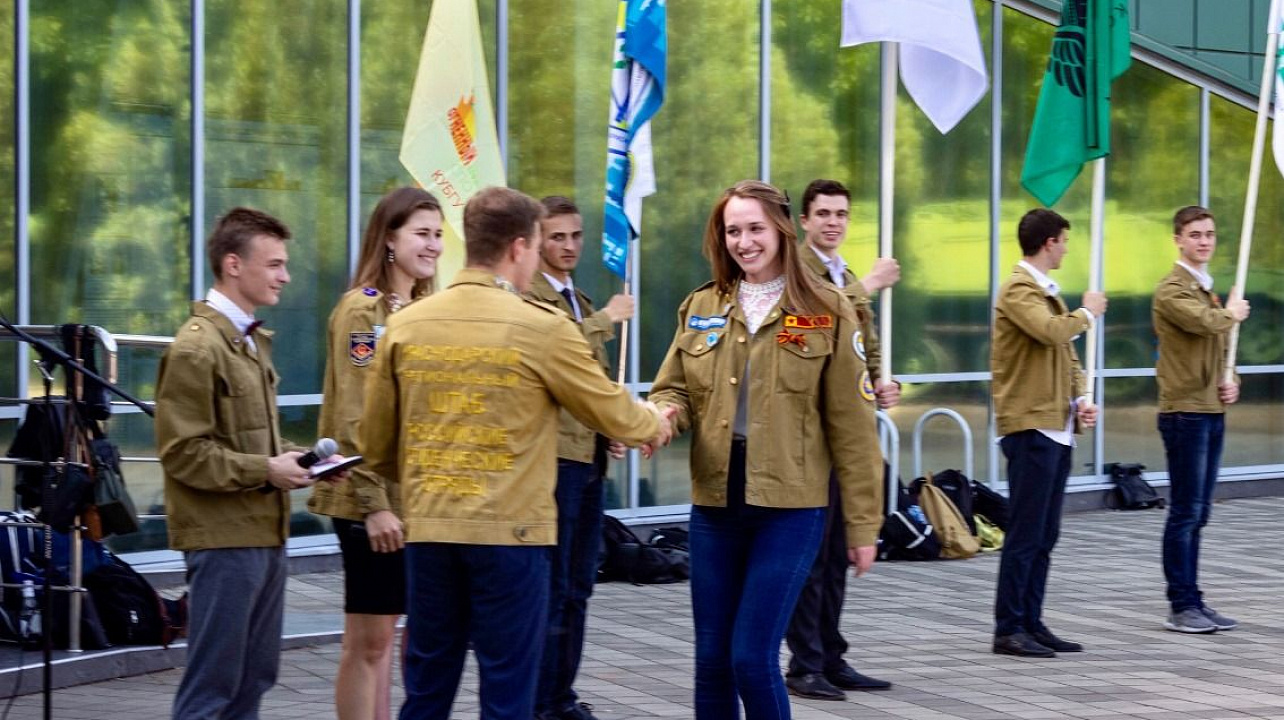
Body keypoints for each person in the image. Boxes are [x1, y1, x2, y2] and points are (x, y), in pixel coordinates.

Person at [358, 186, 671, 720]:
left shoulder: (406, 324)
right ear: (521, 247)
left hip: (431, 531)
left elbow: (377, 446)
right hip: (512, 537)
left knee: (428, 686)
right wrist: (654, 422)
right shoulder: (542, 328)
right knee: (507, 691)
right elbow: (612, 413)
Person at [647, 180, 884, 719]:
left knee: (751, 659)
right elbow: (674, 388)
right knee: (711, 662)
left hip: (791, 508)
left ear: (780, 230)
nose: (744, 241)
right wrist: (661, 415)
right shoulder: (703, 304)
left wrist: (864, 526)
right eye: (733, 230)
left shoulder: (827, 309)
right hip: (715, 503)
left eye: (755, 228)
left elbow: (853, 428)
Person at [156, 207, 342, 718]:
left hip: (262, 534)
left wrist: (291, 462)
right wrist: (267, 469)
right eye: (275, 264)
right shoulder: (198, 347)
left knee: (253, 680)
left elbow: (237, 441)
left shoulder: (248, 340)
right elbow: (182, 453)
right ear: (234, 265)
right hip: (224, 540)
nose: (286, 275)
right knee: (213, 688)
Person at [308, 187, 444, 720]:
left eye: (437, 234)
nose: (432, 246)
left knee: (388, 641)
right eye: (421, 234)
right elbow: (354, 414)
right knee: (367, 643)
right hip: (370, 503)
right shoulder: (362, 311)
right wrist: (375, 505)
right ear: (389, 238)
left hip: (409, 503)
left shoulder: (420, 307)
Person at [784, 179, 899, 700]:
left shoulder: (843, 273)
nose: (834, 222)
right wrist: (868, 287)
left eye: (842, 214)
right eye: (824, 213)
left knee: (836, 555)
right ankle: (804, 664)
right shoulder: (799, 271)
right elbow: (805, 325)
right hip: (805, 433)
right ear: (804, 221)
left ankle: (830, 655)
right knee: (810, 558)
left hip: (844, 430)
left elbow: (861, 343)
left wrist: (879, 380)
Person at [526, 196, 634, 720]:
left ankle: (560, 696)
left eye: (575, 236)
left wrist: (609, 425)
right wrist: (609, 320)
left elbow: (588, 383)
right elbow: (553, 349)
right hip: (553, 461)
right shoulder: (530, 295)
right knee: (552, 587)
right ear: (536, 240)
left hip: (587, 456)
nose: (569, 246)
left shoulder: (580, 298)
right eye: (557, 237)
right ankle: (542, 699)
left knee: (578, 586)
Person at [990, 208, 1106, 658]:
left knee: (1045, 534)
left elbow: (1065, 359)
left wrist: (1080, 400)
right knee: (1024, 532)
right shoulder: (1018, 290)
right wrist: (1087, 314)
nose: (1067, 248)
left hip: (1056, 426)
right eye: (1064, 240)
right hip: (1030, 425)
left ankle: (1031, 620)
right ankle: (1008, 627)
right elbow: (1048, 333)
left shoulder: (1045, 293)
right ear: (1049, 242)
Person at [1153, 205, 1250, 634]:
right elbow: (1202, 324)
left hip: (1211, 409)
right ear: (1178, 239)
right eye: (1195, 234)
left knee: (1201, 513)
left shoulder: (1206, 290)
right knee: (1186, 512)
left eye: (1210, 233)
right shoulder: (1173, 290)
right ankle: (1181, 604)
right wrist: (1231, 313)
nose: (1204, 241)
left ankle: (1194, 598)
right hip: (1184, 413)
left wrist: (1233, 380)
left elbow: (1219, 346)